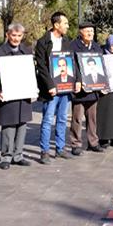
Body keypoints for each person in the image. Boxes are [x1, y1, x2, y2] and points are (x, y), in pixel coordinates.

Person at [0, 23, 33, 170]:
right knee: (8, 126)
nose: (16, 39)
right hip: (7, 95)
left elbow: (31, 74)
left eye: (19, 36)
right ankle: (6, 157)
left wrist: (34, 88)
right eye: (13, 35)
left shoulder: (27, 51)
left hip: (23, 95)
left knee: (22, 125)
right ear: (7, 35)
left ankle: (18, 155)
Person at [34, 12, 72, 164]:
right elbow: (41, 66)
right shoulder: (43, 42)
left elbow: (71, 63)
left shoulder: (66, 41)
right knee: (48, 119)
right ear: (56, 25)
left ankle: (60, 148)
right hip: (50, 89)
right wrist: (50, 85)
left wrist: (74, 81)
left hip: (65, 87)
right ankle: (44, 151)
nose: (67, 26)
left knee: (62, 118)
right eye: (65, 24)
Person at [71, 21, 105, 155]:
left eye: (92, 31)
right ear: (81, 32)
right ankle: (76, 143)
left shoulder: (97, 47)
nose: (90, 33)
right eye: (87, 31)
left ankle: (93, 142)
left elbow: (101, 66)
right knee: (77, 118)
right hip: (80, 88)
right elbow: (73, 66)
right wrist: (78, 80)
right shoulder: (73, 46)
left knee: (92, 118)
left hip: (93, 88)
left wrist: (103, 83)